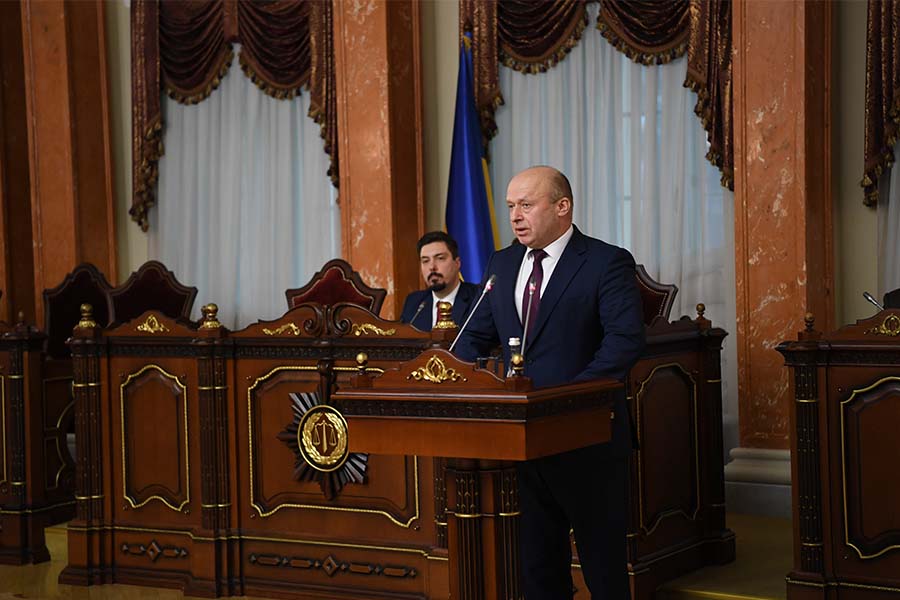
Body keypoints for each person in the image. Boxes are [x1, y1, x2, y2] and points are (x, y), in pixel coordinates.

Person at [452, 166, 645, 599]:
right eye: (510, 206)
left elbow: (624, 342)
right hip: (523, 439)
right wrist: (446, 374)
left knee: (603, 569)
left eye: (526, 205)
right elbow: (474, 337)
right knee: (539, 567)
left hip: (587, 437)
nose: (515, 216)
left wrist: (566, 402)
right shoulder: (502, 263)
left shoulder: (606, 262)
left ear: (562, 206)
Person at [399, 231, 479, 330]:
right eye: (425, 261)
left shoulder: (478, 299)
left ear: (457, 263)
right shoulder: (414, 302)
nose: (432, 267)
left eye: (440, 258)